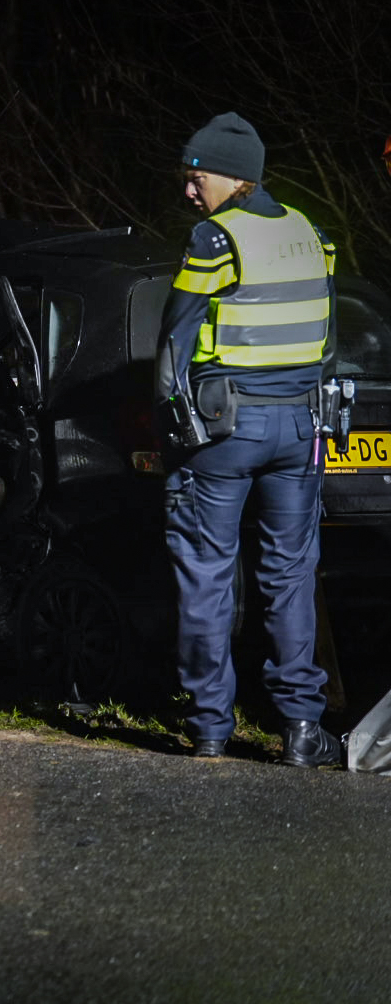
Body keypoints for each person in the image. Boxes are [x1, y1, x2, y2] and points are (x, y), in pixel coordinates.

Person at [158, 112, 340, 766]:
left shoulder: (214, 239)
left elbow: (174, 344)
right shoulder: (313, 235)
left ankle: (209, 726)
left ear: (233, 178)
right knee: (291, 578)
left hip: (224, 430)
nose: (188, 191)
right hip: (298, 425)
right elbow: (327, 344)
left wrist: (174, 424)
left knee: (207, 576)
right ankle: (300, 732)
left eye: (195, 177)